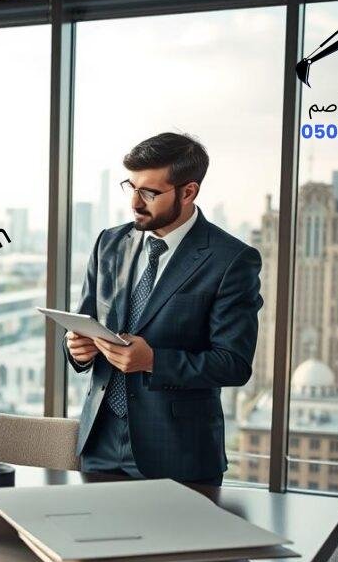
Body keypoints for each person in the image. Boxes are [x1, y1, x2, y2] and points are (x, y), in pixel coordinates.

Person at [65, 133, 263, 486]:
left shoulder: (231, 260)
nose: (135, 204)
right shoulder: (109, 243)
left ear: (188, 192)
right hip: (99, 444)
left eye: (150, 193)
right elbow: (86, 324)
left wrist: (153, 360)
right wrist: (77, 350)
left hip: (179, 452)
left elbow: (233, 365)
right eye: (132, 187)